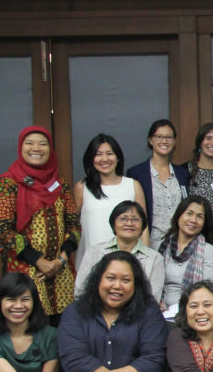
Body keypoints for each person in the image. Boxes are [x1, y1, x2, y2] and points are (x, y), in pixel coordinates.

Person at [0, 126, 81, 320]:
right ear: (20, 147)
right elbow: (3, 230)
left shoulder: (60, 183)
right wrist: (40, 262)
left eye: (43, 144)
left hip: (61, 272)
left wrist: (60, 261)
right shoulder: (7, 183)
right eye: (29, 143)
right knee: (30, 325)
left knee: (63, 327)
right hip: (25, 270)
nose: (36, 148)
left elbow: (74, 225)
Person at [73, 134, 147, 267]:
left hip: (127, 263)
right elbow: (73, 226)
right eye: (98, 154)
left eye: (109, 153)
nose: (104, 159)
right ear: (91, 158)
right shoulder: (82, 187)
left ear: (118, 157)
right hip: (90, 261)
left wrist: (145, 261)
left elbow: (143, 227)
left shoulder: (133, 185)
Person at [74, 201, 165, 303]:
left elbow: (152, 299)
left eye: (135, 219)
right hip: (96, 310)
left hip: (138, 312)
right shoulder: (93, 252)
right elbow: (80, 292)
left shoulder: (155, 259)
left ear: (143, 226)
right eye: (123, 219)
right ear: (114, 224)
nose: (129, 223)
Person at [126, 119, 190, 250]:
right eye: (159, 137)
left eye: (169, 137)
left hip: (180, 243)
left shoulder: (183, 173)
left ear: (174, 141)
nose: (164, 141)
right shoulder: (137, 173)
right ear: (150, 140)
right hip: (150, 244)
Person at [158, 196, 213, 311]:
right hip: (161, 309)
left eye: (199, 216)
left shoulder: (208, 250)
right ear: (179, 216)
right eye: (189, 214)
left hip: (193, 310)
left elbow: (209, 291)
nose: (193, 220)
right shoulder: (164, 246)